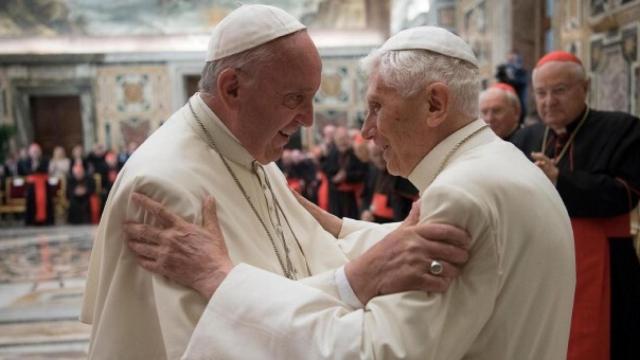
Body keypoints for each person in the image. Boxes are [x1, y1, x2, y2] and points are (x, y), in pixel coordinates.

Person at [125, 26, 576, 359]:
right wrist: (339, 227)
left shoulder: (460, 196)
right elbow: (475, 257)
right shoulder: (503, 165)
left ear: (435, 104)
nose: (367, 130)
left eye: (377, 106)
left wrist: (220, 278)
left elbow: (371, 351)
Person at [80, 6, 471, 359]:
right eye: (294, 98)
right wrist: (359, 280)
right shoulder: (165, 186)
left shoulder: (253, 152)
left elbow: (311, 257)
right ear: (232, 88)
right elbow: (212, 344)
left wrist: (388, 245)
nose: (308, 120)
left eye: (312, 98)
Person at [511, 50, 640, 360]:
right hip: (538, 265)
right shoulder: (525, 138)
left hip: (605, 263)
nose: (549, 101)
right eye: (541, 93)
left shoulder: (623, 129)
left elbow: (626, 192)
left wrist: (560, 180)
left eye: (560, 90)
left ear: (586, 87)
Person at [321, 126, 368, 218]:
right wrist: (334, 178)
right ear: (336, 140)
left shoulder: (356, 153)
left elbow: (363, 172)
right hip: (335, 196)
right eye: (340, 139)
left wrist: (346, 176)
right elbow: (327, 170)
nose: (342, 142)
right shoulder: (332, 153)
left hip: (352, 196)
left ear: (349, 139)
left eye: (344, 138)